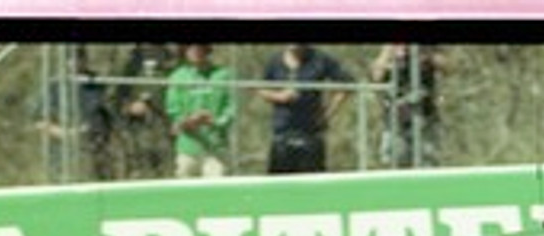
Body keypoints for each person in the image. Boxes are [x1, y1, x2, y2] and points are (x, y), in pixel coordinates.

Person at [256, 44, 352, 174]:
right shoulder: (274, 61)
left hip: (310, 135)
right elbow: (261, 89)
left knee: (313, 185)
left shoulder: (320, 60)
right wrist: (280, 96)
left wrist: (327, 114)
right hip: (282, 135)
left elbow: (346, 85)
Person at [33, 46, 114, 182]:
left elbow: (108, 113)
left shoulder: (98, 83)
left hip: (94, 152)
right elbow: (39, 120)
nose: (74, 63)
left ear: (85, 59)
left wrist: (88, 130)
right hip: (61, 155)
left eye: (79, 58)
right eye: (70, 59)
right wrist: (64, 133)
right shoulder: (55, 84)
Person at [370, 43, 447, 168]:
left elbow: (447, 67)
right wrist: (389, 53)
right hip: (395, 117)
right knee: (394, 160)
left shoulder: (427, 50)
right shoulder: (391, 50)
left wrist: (426, 54)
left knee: (428, 160)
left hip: (425, 115)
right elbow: (376, 76)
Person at [165, 43, 235, 178]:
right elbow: (173, 110)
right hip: (188, 148)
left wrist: (215, 121)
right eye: (190, 47)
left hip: (215, 148)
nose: (195, 51)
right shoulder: (177, 77)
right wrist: (189, 121)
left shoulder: (223, 75)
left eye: (199, 47)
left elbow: (231, 108)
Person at [114, 42, 176, 179]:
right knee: (140, 174)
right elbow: (113, 97)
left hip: (166, 129)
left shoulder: (172, 59)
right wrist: (129, 107)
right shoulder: (129, 62)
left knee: (167, 174)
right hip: (136, 132)